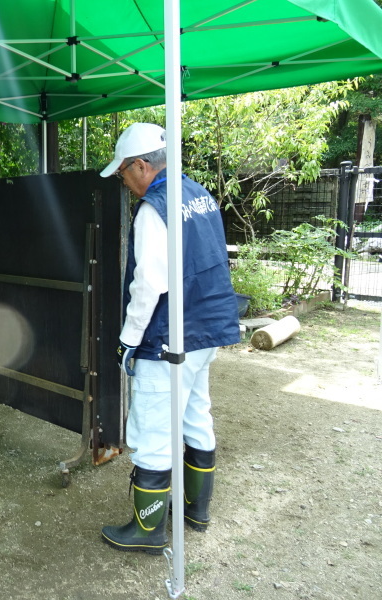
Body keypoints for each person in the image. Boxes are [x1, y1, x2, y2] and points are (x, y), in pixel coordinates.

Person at [99, 123, 240, 554]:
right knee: (196, 416)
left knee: (153, 430)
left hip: (169, 336)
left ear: (143, 165)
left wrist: (127, 341)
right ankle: (197, 512)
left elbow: (148, 286)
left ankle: (147, 531)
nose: (124, 183)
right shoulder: (198, 193)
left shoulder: (152, 209)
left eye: (124, 173)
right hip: (207, 326)